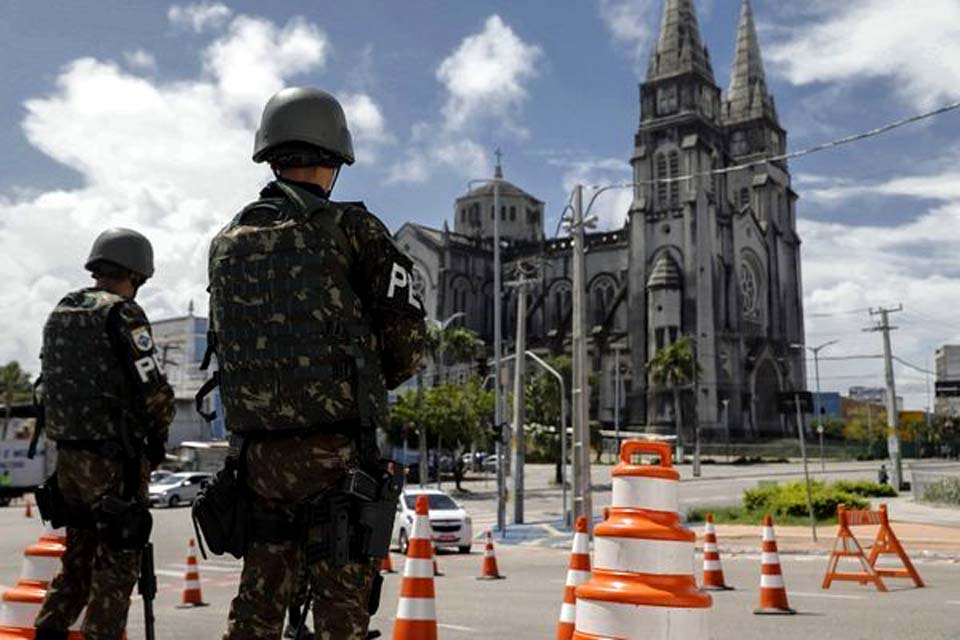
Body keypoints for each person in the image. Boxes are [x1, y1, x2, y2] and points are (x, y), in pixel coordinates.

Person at [210, 87, 426, 640]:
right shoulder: (354, 230)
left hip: (257, 459)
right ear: (334, 158)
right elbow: (406, 344)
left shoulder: (226, 243)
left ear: (270, 154)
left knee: (256, 611)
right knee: (340, 618)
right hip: (337, 459)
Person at [34, 228, 175, 640]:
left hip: (69, 460)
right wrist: (157, 436)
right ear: (138, 273)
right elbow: (152, 387)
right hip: (114, 462)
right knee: (117, 566)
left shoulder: (63, 310)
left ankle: (49, 631)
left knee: (76, 562)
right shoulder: (123, 312)